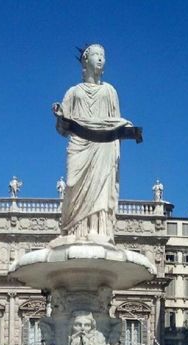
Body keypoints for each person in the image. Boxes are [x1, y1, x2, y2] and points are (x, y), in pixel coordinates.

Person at [52, 44, 140, 242]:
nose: (100, 58)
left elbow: (115, 120)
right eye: (96, 55)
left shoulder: (109, 91)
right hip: (79, 144)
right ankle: (73, 230)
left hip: (103, 144)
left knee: (100, 185)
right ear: (85, 60)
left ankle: (96, 229)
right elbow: (62, 129)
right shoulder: (74, 92)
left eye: (103, 55)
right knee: (72, 184)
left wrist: (125, 126)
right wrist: (59, 116)